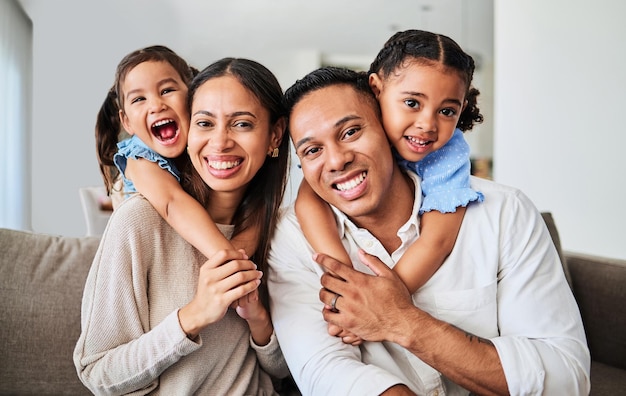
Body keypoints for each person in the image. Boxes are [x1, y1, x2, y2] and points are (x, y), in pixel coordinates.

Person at [267, 31, 590, 395]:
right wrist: (345, 287)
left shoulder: (501, 211)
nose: (337, 159)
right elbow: (326, 372)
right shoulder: (292, 236)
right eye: (311, 151)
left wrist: (401, 319)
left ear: (377, 113)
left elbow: (565, 379)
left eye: (352, 131)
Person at [74, 57, 292, 395]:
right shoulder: (139, 221)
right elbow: (98, 374)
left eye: (243, 124)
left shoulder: (280, 230)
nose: (220, 142)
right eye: (205, 123)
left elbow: (281, 370)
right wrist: (192, 317)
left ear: (274, 135)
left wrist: (259, 319)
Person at [294, 30, 484, 325]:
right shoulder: (354, 137)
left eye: (447, 111)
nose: (427, 125)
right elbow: (308, 201)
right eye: (412, 103)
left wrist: (376, 307)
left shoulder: (447, 155)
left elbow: (436, 242)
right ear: (377, 90)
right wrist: (344, 276)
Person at [94, 45, 258, 264]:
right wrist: (230, 260)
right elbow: (172, 203)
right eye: (139, 99)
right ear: (127, 122)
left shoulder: (202, 148)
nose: (156, 105)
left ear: (193, 97)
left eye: (166, 91)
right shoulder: (139, 158)